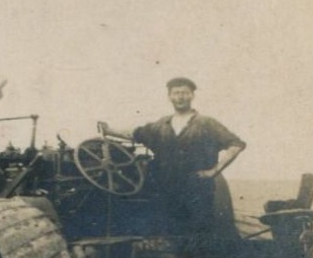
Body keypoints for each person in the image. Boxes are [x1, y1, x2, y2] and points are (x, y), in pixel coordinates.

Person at [100, 76, 246, 240]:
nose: (180, 97)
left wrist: (213, 171)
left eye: (185, 92)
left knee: (200, 236)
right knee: (169, 235)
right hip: (166, 190)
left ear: (192, 96)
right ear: (169, 97)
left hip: (197, 190)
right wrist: (109, 130)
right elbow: (135, 133)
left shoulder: (207, 123)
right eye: (176, 93)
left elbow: (236, 144)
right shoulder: (161, 125)